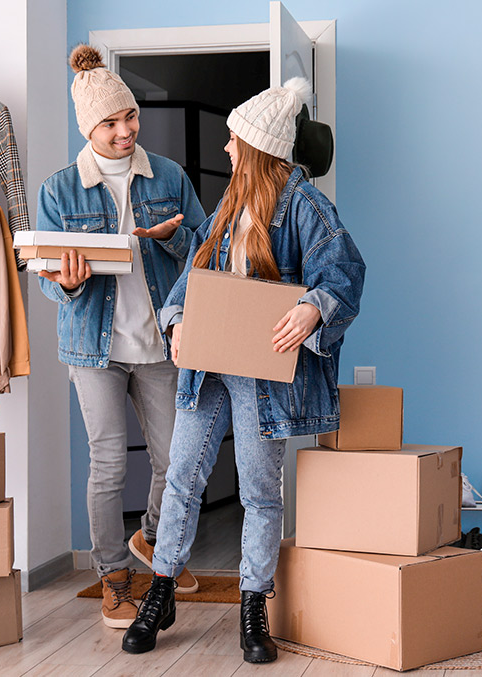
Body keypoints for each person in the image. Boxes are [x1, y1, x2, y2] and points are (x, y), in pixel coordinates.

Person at [121, 77, 366, 663]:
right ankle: (162, 591)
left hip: (264, 380)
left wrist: (312, 307)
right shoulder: (229, 204)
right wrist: (178, 320)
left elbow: (346, 273)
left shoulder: (305, 205)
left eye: (232, 141)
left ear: (254, 147)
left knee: (259, 494)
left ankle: (253, 607)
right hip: (207, 369)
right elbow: (191, 277)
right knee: (181, 479)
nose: (226, 150)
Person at [36, 44, 206, 629]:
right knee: (108, 464)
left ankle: (155, 544)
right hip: (94, 349)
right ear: (89, 127)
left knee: (174, 460)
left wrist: (170, 239)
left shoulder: (170, 176)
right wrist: (66, 281)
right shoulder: (60, 191)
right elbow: (48, 279)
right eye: (110, 123)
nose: (125, 131)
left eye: (129, 117)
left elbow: (206, 252)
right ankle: (111, 576)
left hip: (160, 342)